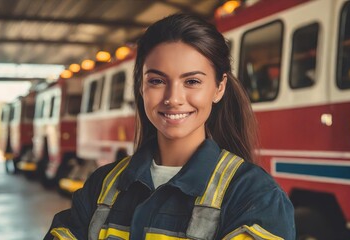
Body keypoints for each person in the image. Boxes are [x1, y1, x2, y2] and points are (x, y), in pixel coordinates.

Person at [44, 13, 295, 240]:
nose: (173, 98)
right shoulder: (100, 185)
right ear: (141, 88)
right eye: (156, 80)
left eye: (192, 81)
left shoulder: (254, 195)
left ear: (219, 88)